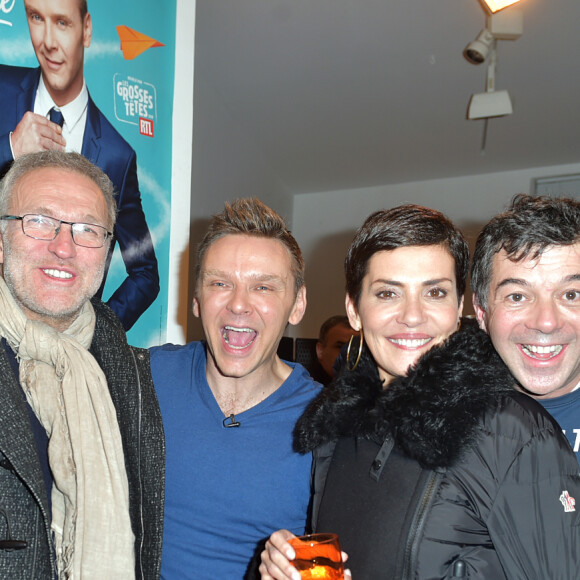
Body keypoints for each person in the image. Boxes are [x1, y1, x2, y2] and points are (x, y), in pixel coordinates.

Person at [260, 204, 580, 580]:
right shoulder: (335, 428)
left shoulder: (512, 432)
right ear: (354, 311)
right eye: (387, 294)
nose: (412, 316)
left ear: (459, 306)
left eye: (434, 292)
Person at [0, 150, 164, 579]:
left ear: (107, 250)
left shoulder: (132, 371)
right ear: (0, 241)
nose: (63, 247)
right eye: (39, 221)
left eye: (87, 230)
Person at [149, 198, 321, 579]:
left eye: (263, 286)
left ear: (297, 305)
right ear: (196, 299)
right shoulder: (146, 378)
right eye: (220, 283)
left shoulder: (330, 422)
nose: (239, 304)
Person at [0, 0, 159, 330]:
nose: (47, 41)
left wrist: (96, 334)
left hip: (64, 363)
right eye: (35, 18)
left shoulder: (117, 155)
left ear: (87, 29)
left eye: (62, 23)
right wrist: (10, 147)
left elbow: (145, 273)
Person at [472, 193, 580, 462]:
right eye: (517, 296)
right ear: (481, 312)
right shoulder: (441, 427)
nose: (546, 322)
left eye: (571, 295)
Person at [311, 315, 356, 386]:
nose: (349, 354)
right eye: (341, 347)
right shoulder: (304, 390)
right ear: (320, 351)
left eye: (355, 348)